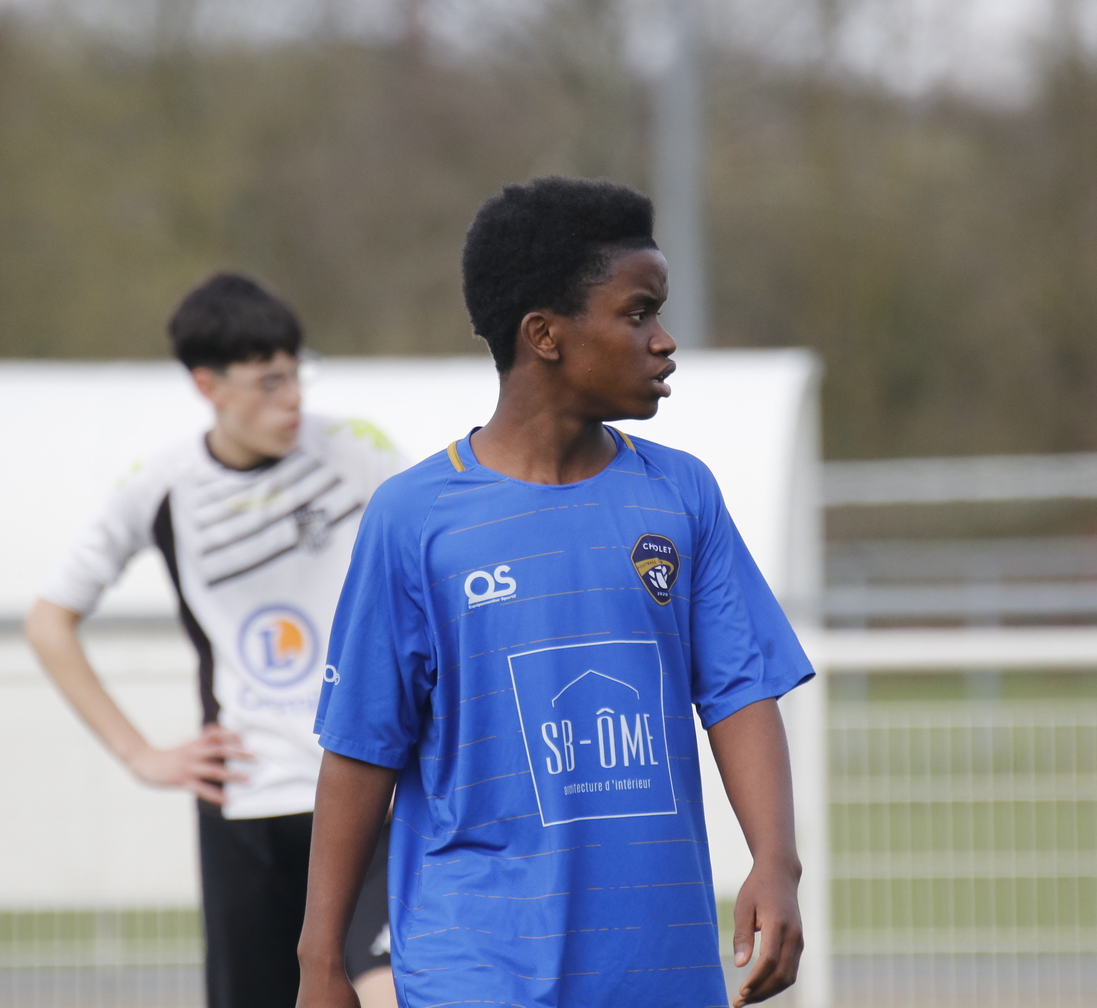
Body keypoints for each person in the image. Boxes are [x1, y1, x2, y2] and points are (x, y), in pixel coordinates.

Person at [297, 176, 815, 1008]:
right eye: (638, 313)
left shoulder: (681, 495)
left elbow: (740, 691)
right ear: (544, 334)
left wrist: (775, 861)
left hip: (658, 965)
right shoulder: (415, 518)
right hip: (476, 965)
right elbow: (362, 745)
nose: (664, 341)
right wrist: (321, 959)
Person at [24, 272, 401, 1008]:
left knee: (386, 992)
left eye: (296, 373)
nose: (292, 399)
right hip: (246, 805)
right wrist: (141, 754)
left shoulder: (358, 450)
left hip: (367, 791)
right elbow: (49, 620)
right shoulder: (162, 483)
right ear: (208, 386)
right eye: (268, 382)